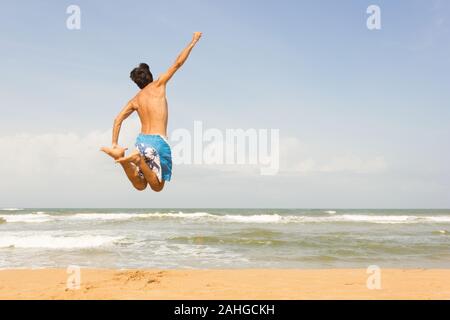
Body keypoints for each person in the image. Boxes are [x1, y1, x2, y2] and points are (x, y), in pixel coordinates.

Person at [101, 32, 202, 192]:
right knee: (157, 186)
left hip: (142, 142)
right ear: (150, 76)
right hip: (157, 141)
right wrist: (193, 41)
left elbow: (117, 119)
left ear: (137, 83)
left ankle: (123, 159)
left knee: (140, 185)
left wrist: (114, 143)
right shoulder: (159, 85)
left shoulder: (135, 100)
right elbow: (177, 63)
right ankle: (137, 160)